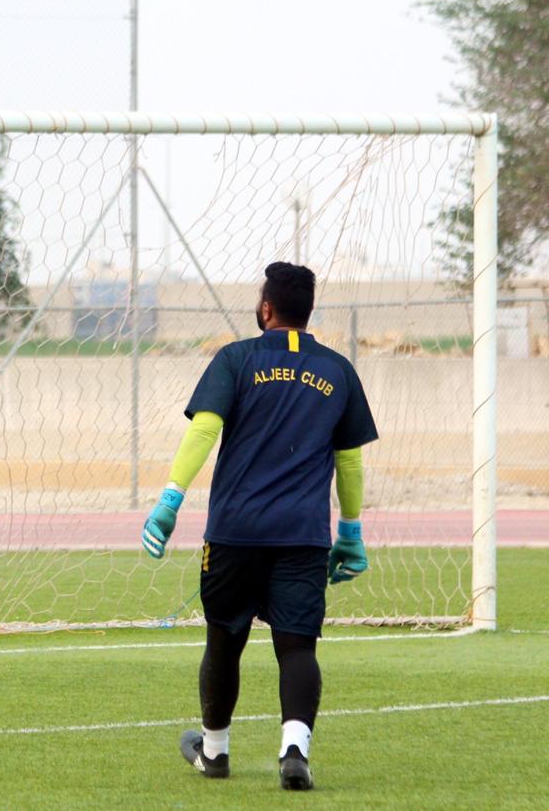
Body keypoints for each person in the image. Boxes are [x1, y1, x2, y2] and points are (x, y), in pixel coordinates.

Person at [141, 262, 377, 791]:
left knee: (224, 641)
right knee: (298, 648)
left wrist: (170, 502)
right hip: (303, 536)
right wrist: (351, 532)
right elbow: (351, 462)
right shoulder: (338, 369)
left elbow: (205, 429)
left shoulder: (237, 359)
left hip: (234, 532)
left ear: (266, 308)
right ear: (307, 312)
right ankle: (294, 750)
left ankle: (215, 752)